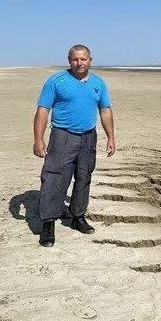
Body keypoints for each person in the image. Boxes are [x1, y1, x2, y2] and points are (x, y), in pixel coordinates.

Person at [32, 44, 116, 247]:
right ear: (69, 60)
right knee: (54, 178)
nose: (79, 63)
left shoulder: (98, 83)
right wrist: (38, 139)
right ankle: (48, 223)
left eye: (83, 59)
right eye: (75, 59)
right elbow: (43, 110)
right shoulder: (56, 81)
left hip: (89, 136)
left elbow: (105, 110)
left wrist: (111, 137)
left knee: (84, 176)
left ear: (90, 60)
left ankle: (78, 216)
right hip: (63, 135)